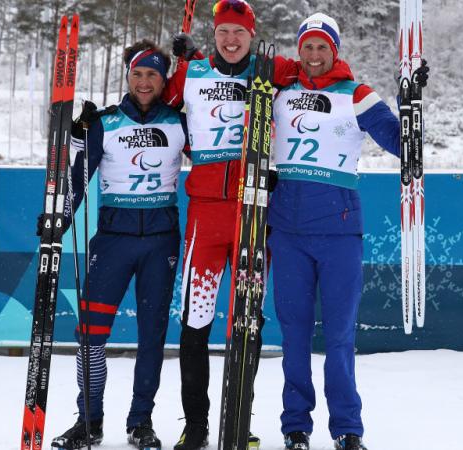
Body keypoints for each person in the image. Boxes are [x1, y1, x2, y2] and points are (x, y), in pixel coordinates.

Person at [267, 13, 429, 450]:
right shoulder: (280, 91)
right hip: (286, 231)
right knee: (294, 335)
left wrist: (411, 103)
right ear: (298, 49)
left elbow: (405, 145)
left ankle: (347, 429)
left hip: (338, 232)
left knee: (339, 337)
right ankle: (295, 425)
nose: (315, 54)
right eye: (308, 46)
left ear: (334, 50)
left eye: (323, 47)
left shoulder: (355, 95)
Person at [162, 1, 299, 449]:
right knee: (194, 320)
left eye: (238, 32)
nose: (231, 39)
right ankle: (196, 425)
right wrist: (174, 61)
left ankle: (239, 417)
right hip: (206, 213)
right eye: (223, 31)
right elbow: (149, 101)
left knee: (247, 320)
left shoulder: (270, 68)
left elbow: (320, 69)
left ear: (251, 34)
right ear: (214, 34)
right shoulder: (193, 73)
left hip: (253, 211)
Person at [48, 40, 189, 450]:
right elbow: (78, 177)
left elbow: (216, 159)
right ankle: (89, 420)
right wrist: (59, 218)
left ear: (164, 81)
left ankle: (140, 422)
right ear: (127, 76)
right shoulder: (106, 123)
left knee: (151, 337)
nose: (144, 82)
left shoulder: (180, 123)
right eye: (137, 74)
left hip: (161, 241)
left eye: (153, 75)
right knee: (91, 333)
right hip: (112, 241)